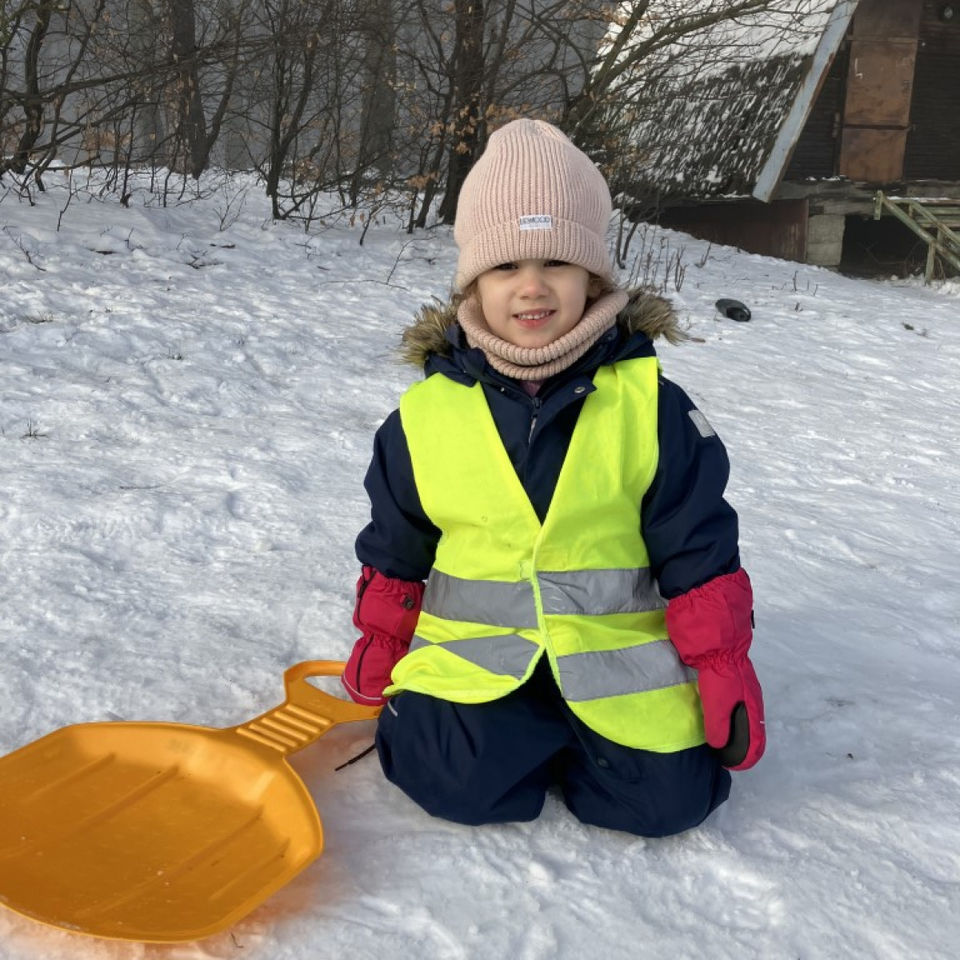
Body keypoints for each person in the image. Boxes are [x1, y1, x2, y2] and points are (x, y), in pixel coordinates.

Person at [341, 118, 765, 837]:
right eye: (506, 267)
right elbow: (396, 542)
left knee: (671, 805)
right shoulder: (426, 414)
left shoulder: (651, 407)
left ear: (592, 275)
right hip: (481, 665)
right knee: (447, 783)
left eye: (556, 264)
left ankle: (584, 744)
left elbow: (698, 547)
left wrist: (721, 662)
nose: (532, 288)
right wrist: (383, 638)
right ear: (474, 280)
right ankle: (510, 735)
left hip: (616, 670)